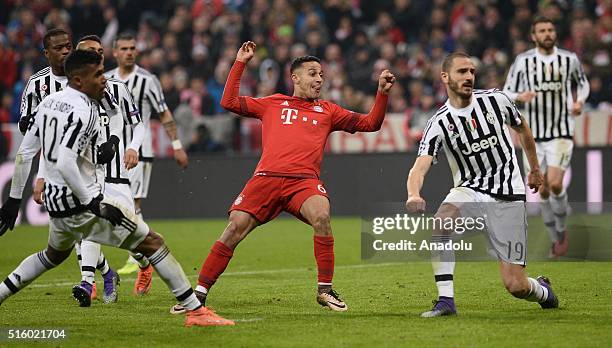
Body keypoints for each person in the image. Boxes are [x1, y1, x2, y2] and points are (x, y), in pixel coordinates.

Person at [0, 49, 232, 327]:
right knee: (153, 243)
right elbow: (64, 161)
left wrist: (13, 201)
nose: (104, 80)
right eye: (97, 75)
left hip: (56, 202)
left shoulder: (49, 102)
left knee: (52, 255)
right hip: (78, 203)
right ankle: (196, 311)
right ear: (77, 80)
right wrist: (94, 202)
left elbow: (26, 152)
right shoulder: (83, 109)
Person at [171, 41, 396, 314]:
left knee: (322, 216)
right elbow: (228, 101)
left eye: (322, 74)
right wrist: (240, 62)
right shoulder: (273, 103)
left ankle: (325, 290)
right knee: (233, 229)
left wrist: (382, 93)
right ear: (295, 77)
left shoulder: (328, 110)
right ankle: (198, 295)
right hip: (265, 178)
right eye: (313, 73)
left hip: (303, 182)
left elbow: (371, 124)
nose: (319, 78)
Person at [406, 52, 559, 317]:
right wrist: (413, 193)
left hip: (508, 196)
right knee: (442, 222)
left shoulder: (496, 100)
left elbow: (523, 129)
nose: (468, 77)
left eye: (471, 72)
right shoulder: (439, 123)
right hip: (471, 189)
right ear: (445, 77)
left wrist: (534, 169)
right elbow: (420, 166)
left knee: (516, 286)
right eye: (462, 72)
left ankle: (543, 289)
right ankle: (446, 301)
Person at [17, 28, 117, 302]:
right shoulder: (38, 84)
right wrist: (40, 176)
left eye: (68, 46)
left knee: (88, 218)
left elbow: (112, 111)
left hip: (89, 162)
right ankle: (106, 272)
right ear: (46, 53)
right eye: (58, 48)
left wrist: (112, 141)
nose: (64, 51)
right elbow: (29, 128)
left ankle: (87, 282)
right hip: (55, 165)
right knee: (71, 228)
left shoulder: (90, 76)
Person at [106, 32, 188, 288]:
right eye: (124, 48)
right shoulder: (105, 79)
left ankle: (140, 260)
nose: (129, 52)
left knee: (132, 207)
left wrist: (177, 145)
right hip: (108, 153)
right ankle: (141, 258)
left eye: (132, 48)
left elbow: (163, 113)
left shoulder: (147, 80)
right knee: (110, 209)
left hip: (140, 152)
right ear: (115, 52)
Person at [503, 17, 590, 257]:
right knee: (541, 190)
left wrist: (579, 101)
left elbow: (582, 84)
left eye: (550, 29)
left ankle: (561, 232)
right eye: (542, 30)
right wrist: (521, 96)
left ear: (555, 33)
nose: (547, 33)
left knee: (554, 183)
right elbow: (506, 92)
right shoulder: (523, 61)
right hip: (531, 136)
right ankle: (555, 240)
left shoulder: (569, 59)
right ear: (533, 36)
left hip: (560, 132)